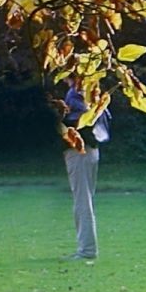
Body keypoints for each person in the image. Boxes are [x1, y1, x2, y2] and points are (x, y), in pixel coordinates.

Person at [61, 75, 104, 260]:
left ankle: (87, 250)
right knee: (84, 200)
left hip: (80, 152)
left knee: (82, 201)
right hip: (90, 149)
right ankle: (87, 248)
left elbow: (80, 119)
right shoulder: (86, 90)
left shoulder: (76, 93)